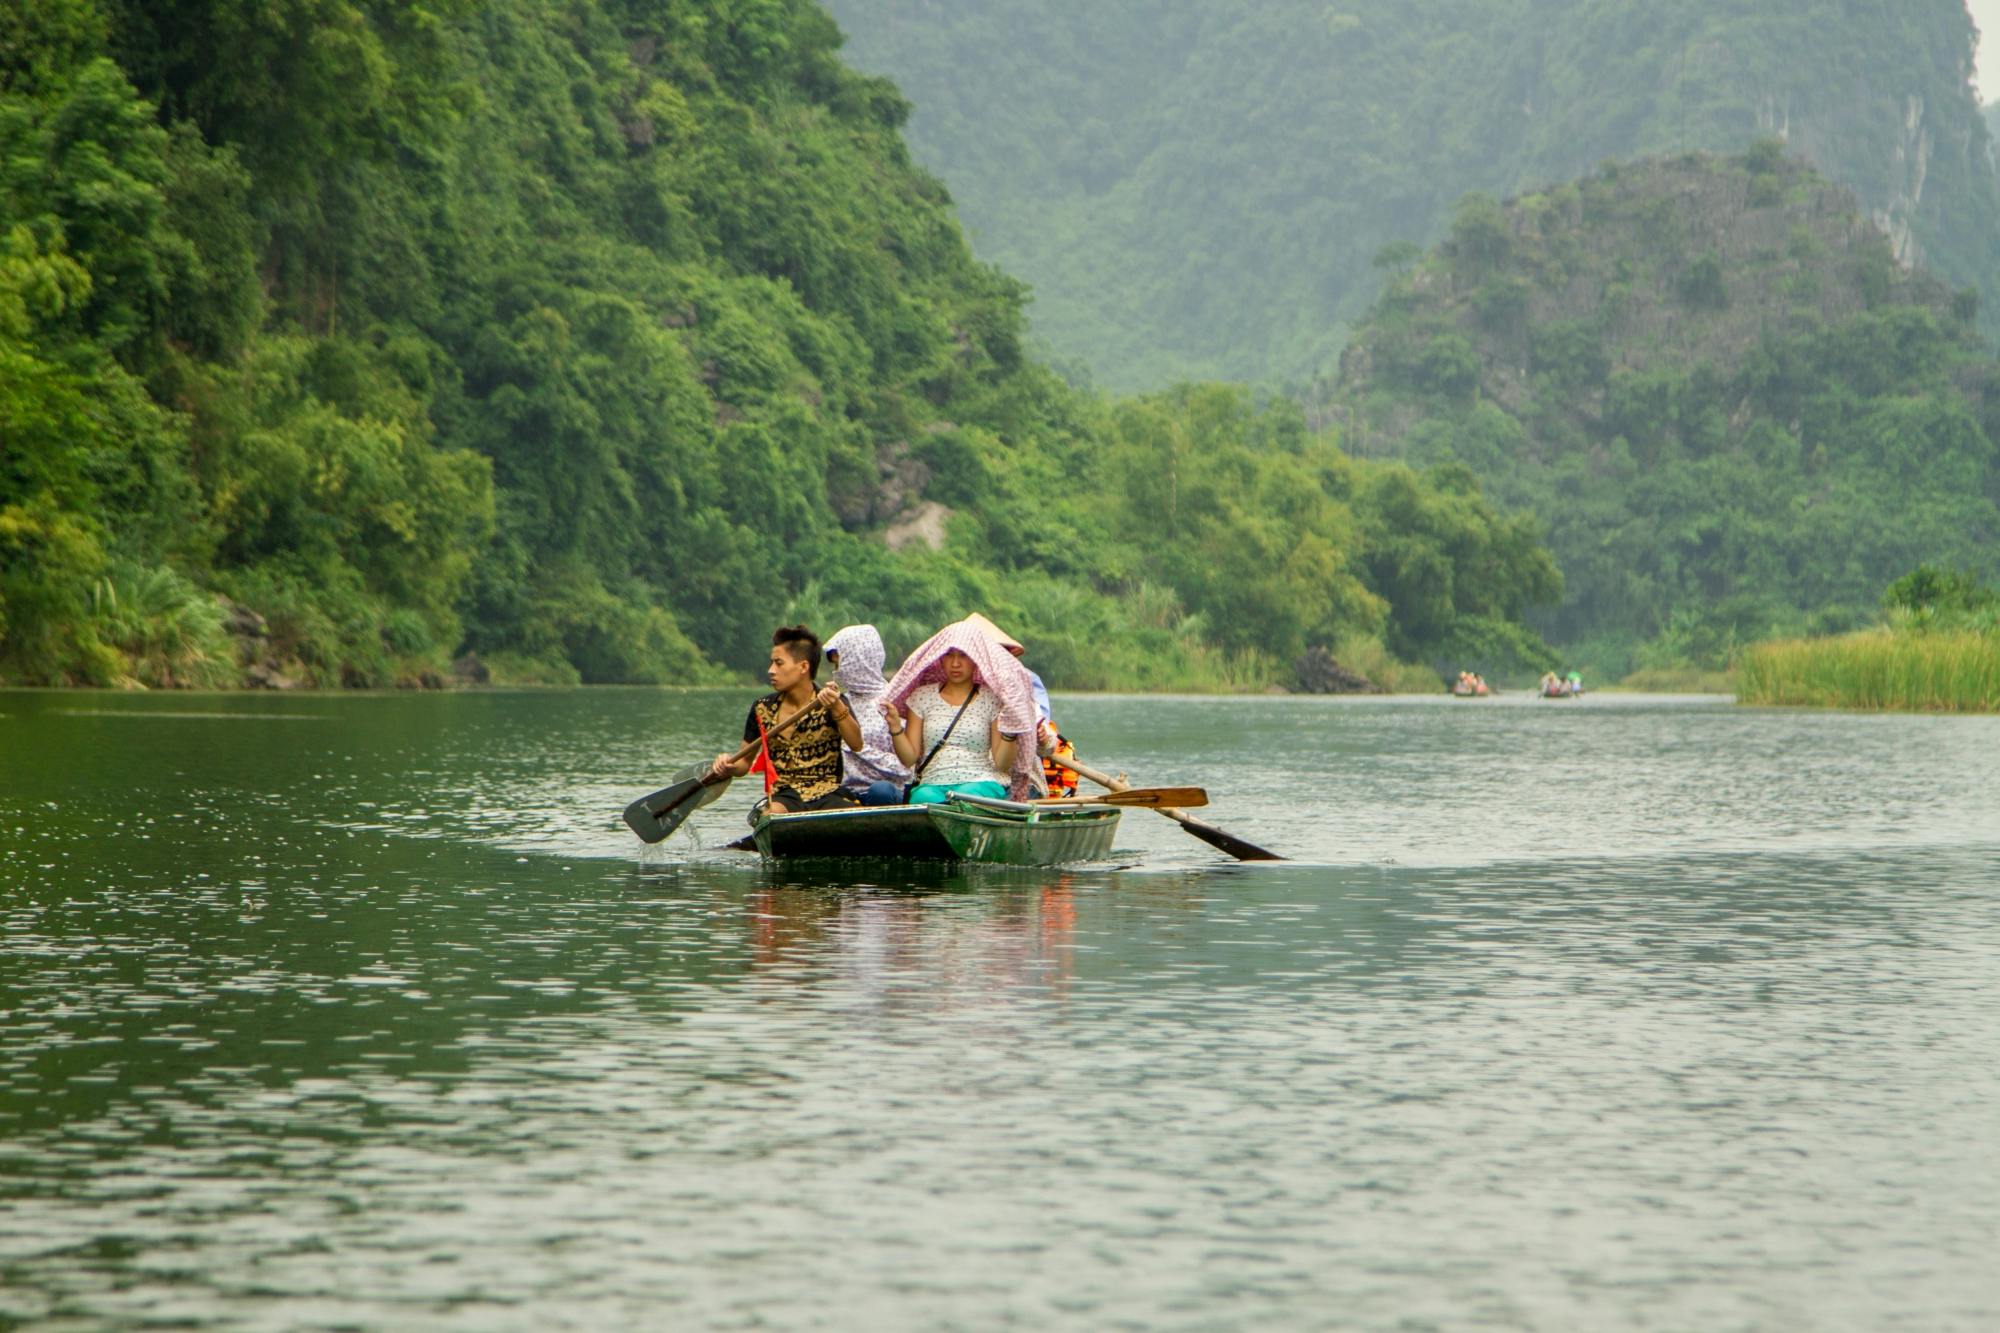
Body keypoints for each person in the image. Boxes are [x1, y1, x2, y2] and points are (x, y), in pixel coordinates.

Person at [878, 619, 1043, 802]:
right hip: (932, 784)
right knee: (923, 798)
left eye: (963, 655)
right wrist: (895, 728)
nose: (955, 663)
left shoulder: (992, 699)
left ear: (975, 659)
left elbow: (1002, 764)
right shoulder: (921, 697)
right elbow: (909, 759)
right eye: (949, 655)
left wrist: (1010, 732)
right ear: (940, 658)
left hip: (980, 782)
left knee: (966, 798)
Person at [711, 625, 865, 819]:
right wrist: (728, 767)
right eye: (771, 663)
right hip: (784, 796)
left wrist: (837, 708)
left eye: (779, 663)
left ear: (803, 667)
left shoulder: (832, 701)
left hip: (826, 792)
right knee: (773, 813)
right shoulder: (762, 708)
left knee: (853, 816)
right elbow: (743, 763)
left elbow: (857, 744)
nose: (771, 671)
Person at [960, 611, 1073, 796]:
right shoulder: (941, 691)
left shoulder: (1022, 683)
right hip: (959, 779)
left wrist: (1043, 736)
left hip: (1016, 780)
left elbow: (1046, 738)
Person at [824, 624, 910, 805]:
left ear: (858, 661)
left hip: (887, 793)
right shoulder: (838, 703)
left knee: (880, 791)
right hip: (847, 793)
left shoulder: (895, 702)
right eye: (834, 665)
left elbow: (905, 768)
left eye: (840, 664)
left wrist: (856, 747)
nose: (836, 672)